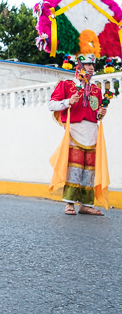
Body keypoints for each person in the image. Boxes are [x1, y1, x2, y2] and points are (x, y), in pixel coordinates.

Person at [48, 54, 107, 216]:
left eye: (93, 65)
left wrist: (101, 113)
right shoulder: (66, 85)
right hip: (74, 131)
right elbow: (51, 104)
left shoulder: (96, 89)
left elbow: (96, 114)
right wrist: (68, 102)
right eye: (88, 64)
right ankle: (69, 204)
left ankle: (86, 205)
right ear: (78, 66)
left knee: (89, 171)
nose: (91, 68)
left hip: (92, 132)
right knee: (74, 169)